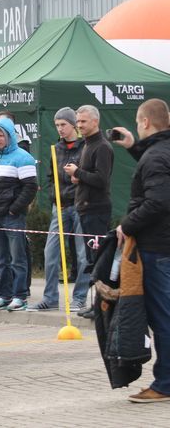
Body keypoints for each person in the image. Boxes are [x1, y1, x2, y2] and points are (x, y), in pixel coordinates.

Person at [110, 99, 170, 403]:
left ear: (145, 122)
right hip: (164, 247)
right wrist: (134, 147)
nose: (136, 126)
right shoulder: (161, 151)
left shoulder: (157, 156)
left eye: (137, 121)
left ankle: (165, 384)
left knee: (163, 319)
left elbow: (158, 201)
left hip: (157, 248)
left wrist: (127, 225)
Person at [30, 107, 88, 311]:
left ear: (74, 125)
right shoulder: (56, 148)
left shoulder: (85, 147)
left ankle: (80, 297)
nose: (60, 129)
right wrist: (53, 194)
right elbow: (49, 176)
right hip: (60, 207)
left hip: (80, 207)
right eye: (57, 125)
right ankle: (50, 297)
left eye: (63, 124)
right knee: (50, 252)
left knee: (83, 255)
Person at [64, 104, 113, 318]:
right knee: (92, 260)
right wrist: (78, 177)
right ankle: (96, 304)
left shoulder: (102, 146)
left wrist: (79, 173)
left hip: (96, 210)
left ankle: (102, 305)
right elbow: (89, 176)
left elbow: (102, 180)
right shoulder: (87, 145)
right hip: (85, 209)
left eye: (83, 121)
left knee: (98, 260)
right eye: (78, 121)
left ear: (95, 121)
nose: (79, 125)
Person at [0, 116, 37, 312]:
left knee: (18, 258)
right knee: (0, 258)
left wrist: (15, 208)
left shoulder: (23, 157)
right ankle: (3, 294)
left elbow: (30, 187)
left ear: (9, 136)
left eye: (1, 135)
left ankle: (20, 295)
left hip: (13, 216)